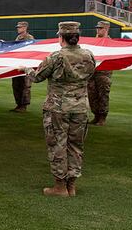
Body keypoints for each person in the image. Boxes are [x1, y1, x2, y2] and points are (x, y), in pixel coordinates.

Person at [19, 21, 96, 197]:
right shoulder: (89, 55)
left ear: (61, 37)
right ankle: (72, 186)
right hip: (81, 108)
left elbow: (37, 77)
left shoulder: (56, 57)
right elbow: (90, 73)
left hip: (58, 108)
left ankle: (60, 187)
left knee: (58, 145)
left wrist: (26, 69)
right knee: (76, 146)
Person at [88, 21, 113, 126]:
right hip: (92, 72)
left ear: (106, 29)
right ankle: (96, 115)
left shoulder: (110, 42)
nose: (98, 30)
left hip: (104, 73)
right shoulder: (94, 41)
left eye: (101, 28)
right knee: (91, 95)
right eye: (97, 28)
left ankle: (102, 117)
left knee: (103, 95)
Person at [10, 21, 34, 112]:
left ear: (25, 28)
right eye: (18, 27)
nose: (18, 29)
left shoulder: (29, 38)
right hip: (18, 65)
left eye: (20, 27)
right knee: (16, 85)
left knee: (25, 86)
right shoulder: (18, 38)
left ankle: (24, 106)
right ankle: (18, 104)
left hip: (26, 66)